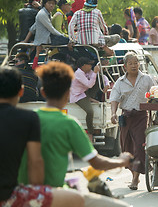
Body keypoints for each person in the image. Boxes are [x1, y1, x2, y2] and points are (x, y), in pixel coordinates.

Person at [17, 62, 133, 207]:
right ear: (68, 93)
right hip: (50, 195)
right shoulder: (69, 124)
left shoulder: (25, 120)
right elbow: (96, 162)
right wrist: (122, 160)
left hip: (22, 195)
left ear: (43, 92)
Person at [0, 66, 84, 207]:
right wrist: (37, 193)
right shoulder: (28, 118)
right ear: (21, 91)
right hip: (10, 195)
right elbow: (36, 161)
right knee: (78, 199)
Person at [110, 52, 156, 190]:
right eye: (130, 63)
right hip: (126, 117)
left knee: (139, 147)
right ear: (125, 66)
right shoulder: (120, 82)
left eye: (136, 63)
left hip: (141, 116)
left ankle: (135, 179)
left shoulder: (147, 79)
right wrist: (113, 113)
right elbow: (114, 99)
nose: (134, 65)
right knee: (127, 148)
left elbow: (155, 93)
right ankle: (133, 172)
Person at [69, 57, 100, 140]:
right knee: (90, 111)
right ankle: (90, 132)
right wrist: (95, 72)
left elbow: (98, 78)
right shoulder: (78, 73)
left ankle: (89, 98)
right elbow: (89, 85)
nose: (91, 66)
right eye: (89, 64)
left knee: (98, 79)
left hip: (84, 93)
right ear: (83, 66)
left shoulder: (88, 71)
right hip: (77, 95)